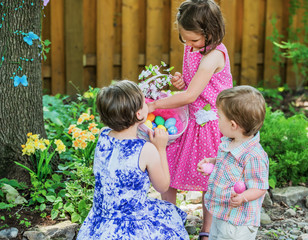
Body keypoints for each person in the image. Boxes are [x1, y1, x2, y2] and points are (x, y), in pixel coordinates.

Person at [147, 0, 232, 239]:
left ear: (211, 32)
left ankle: (207, 230)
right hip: (190, 116)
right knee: (170, 166)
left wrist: (153, 104)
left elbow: (192, 95)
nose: (189, 45)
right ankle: (170, 220)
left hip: (209, 122)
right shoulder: (193, 48)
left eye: (194, 40)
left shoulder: (214, 56)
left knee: (209, 177)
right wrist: (181, 82)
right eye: (184, 39)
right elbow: (190, 85)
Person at [77, 80, 189, 240]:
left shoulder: (103, 135)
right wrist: (160, 148)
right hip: (132, 224)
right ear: (139, 114)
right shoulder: (145, 150)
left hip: (102, 220)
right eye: (144, 102)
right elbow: (163, 186)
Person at [197, 85, 269, 240]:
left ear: (233, 125)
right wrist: (213, 162)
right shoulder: (230, 141)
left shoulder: (254, 156)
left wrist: (243, 197)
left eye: (219, 117)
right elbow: (228, 163)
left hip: (237, 223)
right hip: (221, 211)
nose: (217, 120)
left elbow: (260, 187)